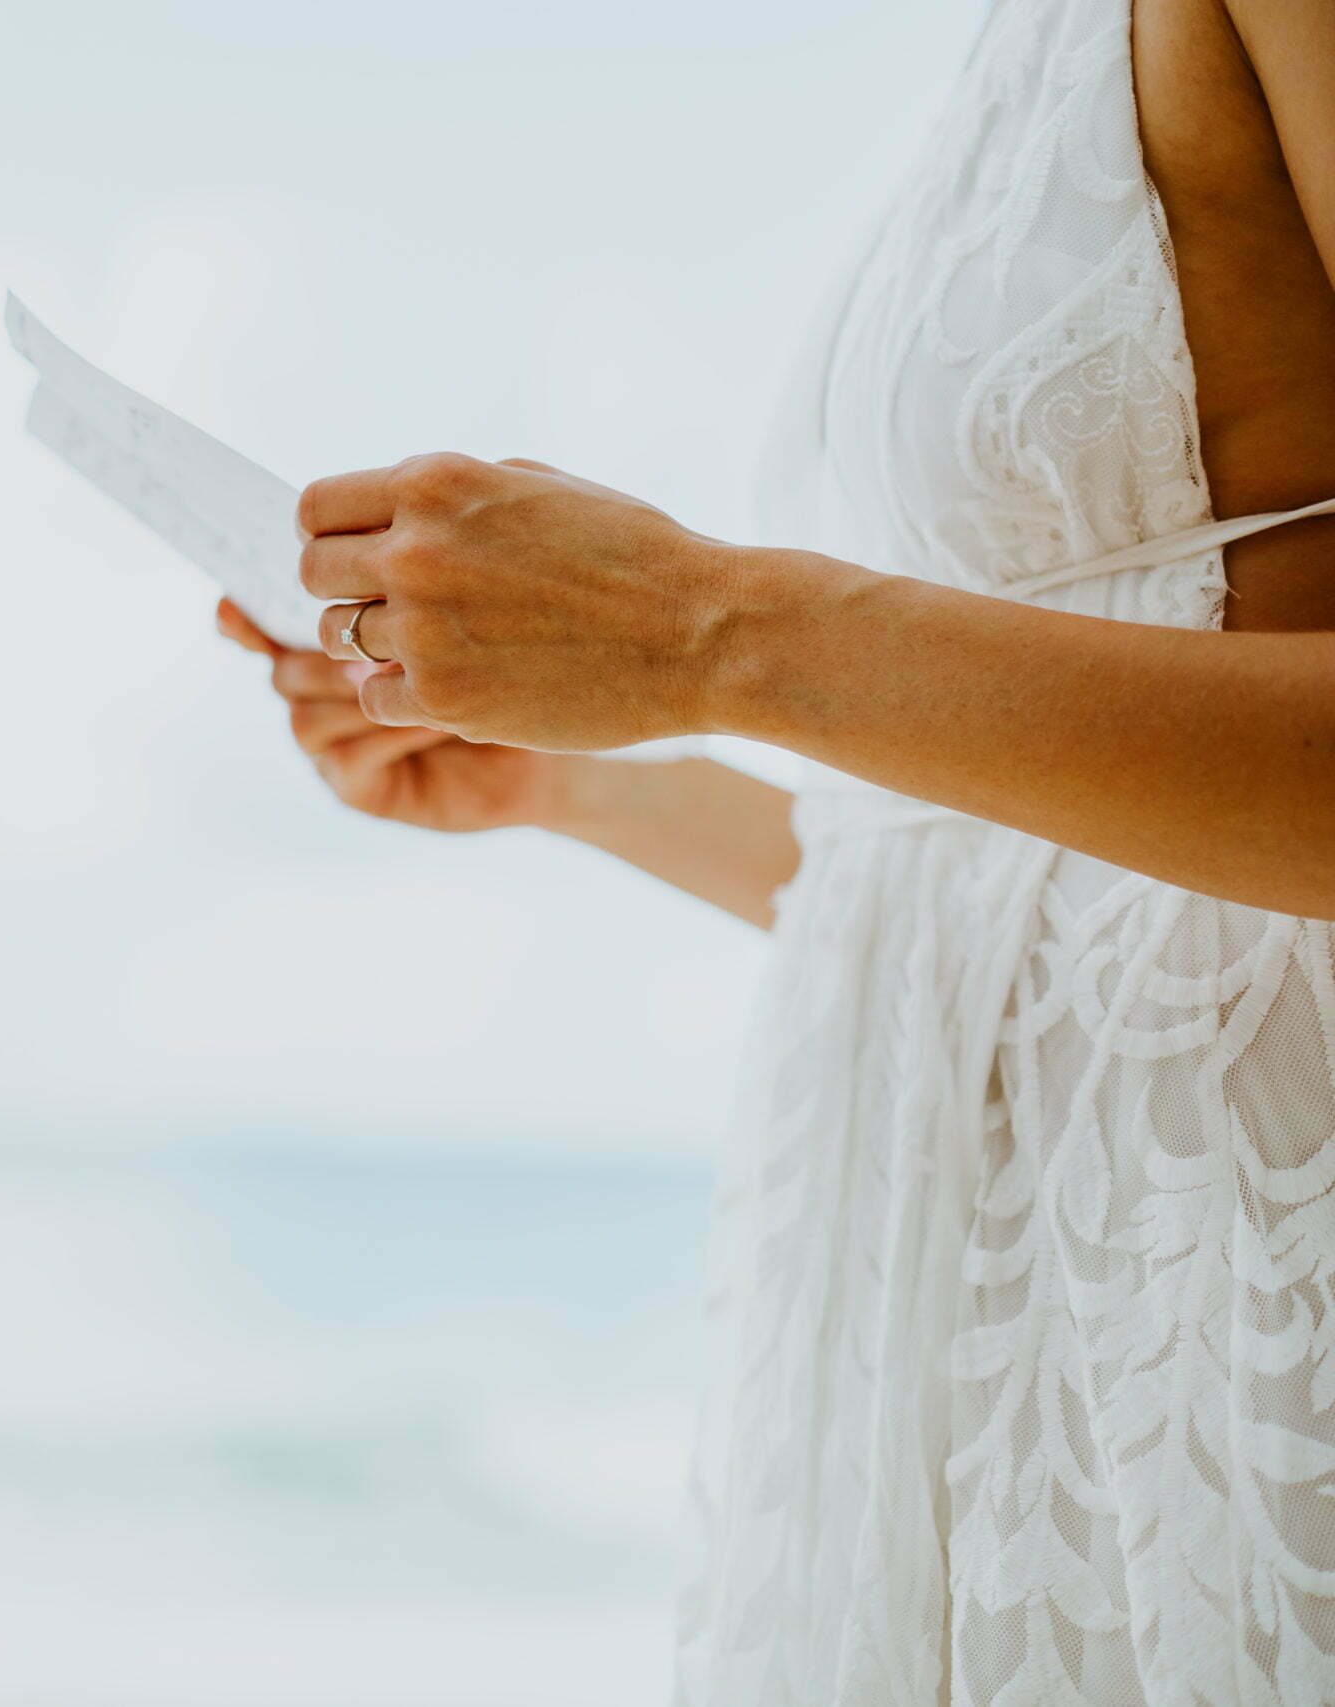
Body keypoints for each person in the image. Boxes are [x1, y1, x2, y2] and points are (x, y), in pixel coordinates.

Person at [227, 0, 1335, 1698]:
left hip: (1232, 1364)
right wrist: (570, 783)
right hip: (983, 1392)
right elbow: (1008, 892)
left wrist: (710, 631)